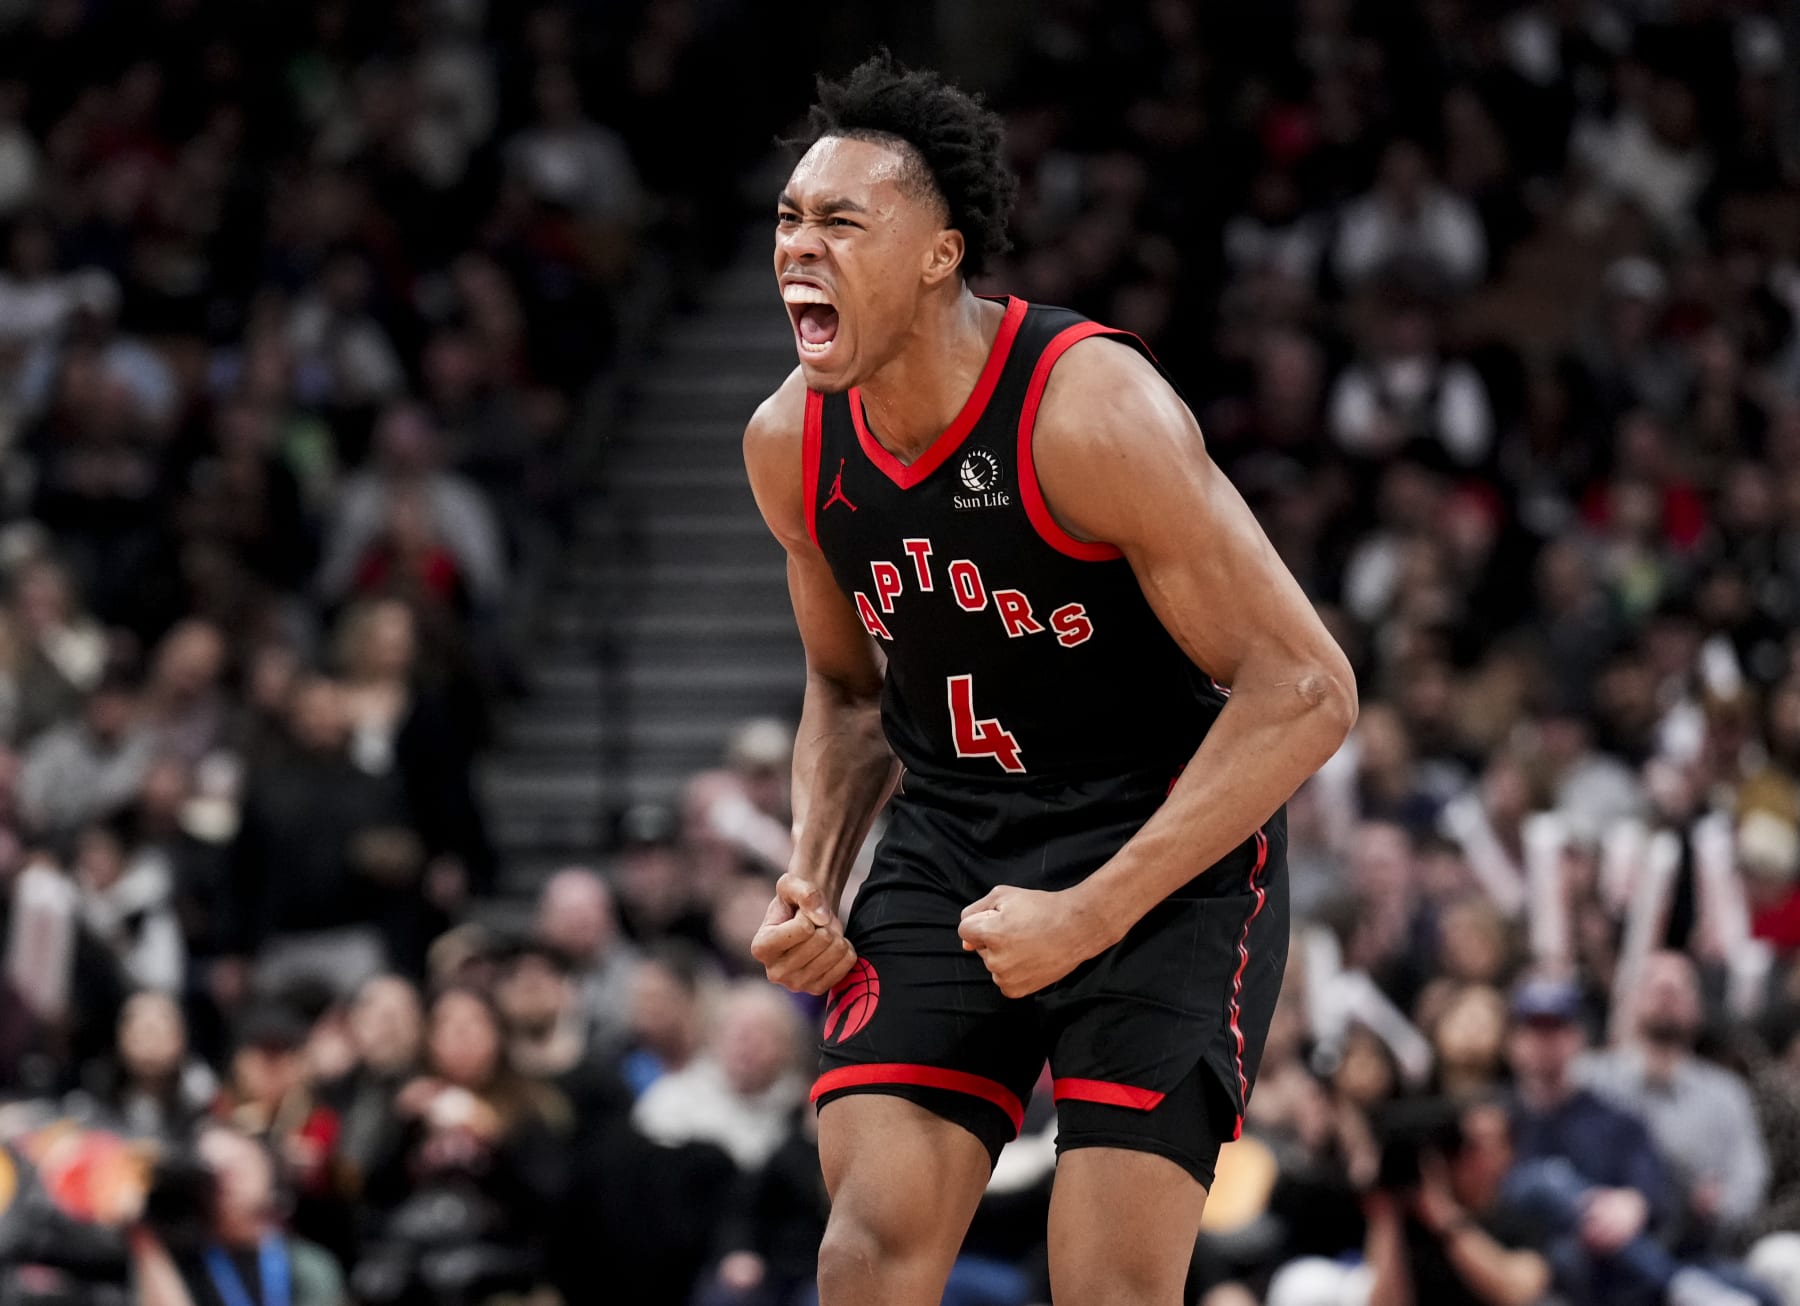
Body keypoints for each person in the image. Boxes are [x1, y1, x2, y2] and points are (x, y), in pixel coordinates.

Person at [742, 55, 1357, 1306]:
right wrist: (813, 872)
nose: (800, 246)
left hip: (1159, 838)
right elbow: (851, 695)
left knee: (1108, 1288)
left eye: (841, 221)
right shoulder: (791, 440)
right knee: (861, 1257)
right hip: (954, 831)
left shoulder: (1088, 412)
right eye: (791, 219)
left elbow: (1306, 688)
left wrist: (1092, 911)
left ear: (940, 254)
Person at [1362, 1098, 1552, 1306]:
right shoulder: (1407, 1225)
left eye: (1478, 1146)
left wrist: (1443, 1215)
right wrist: (1387, 1217)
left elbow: (1516, 1292)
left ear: (1509, 1153)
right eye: (1463, 1145)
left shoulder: (1520, 1216)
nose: (1465, 1156)